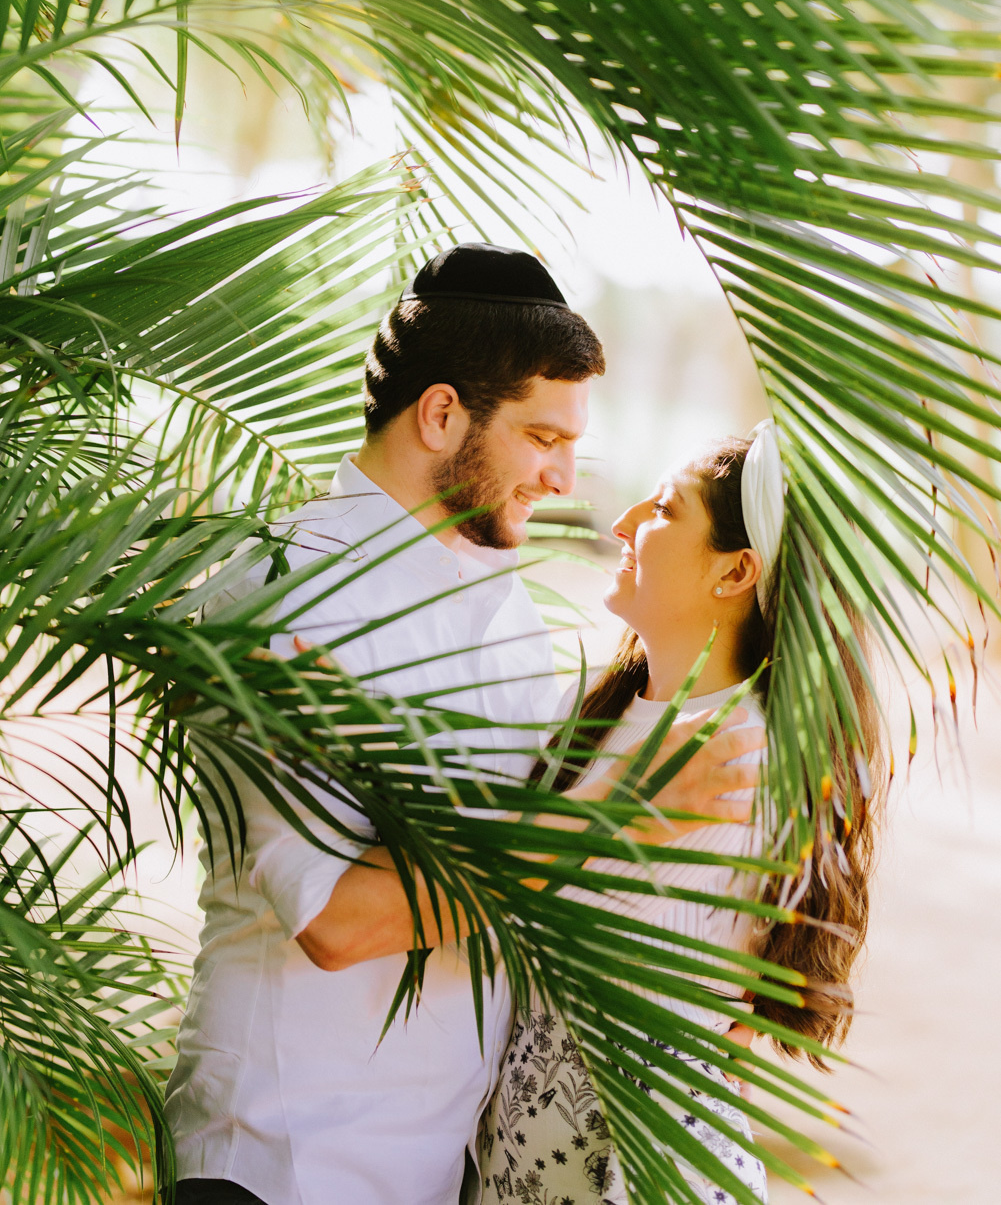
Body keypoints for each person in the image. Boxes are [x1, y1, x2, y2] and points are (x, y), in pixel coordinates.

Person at [164, 244, 765, 1205]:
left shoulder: (521, 629)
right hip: (282, 1161)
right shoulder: (280, 600)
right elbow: (336, 921)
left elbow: (537, 871)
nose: (564, 479)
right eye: (541, 439)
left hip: (445, 1169)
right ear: (442, 414)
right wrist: (610, 814)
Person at [476, 425, 882, 1205]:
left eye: (663, 510)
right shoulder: (590, 713)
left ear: (735, 571)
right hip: (524, 1151)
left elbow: (499, 897)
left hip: (640, 1171)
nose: (623, 522)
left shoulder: (744, 760)